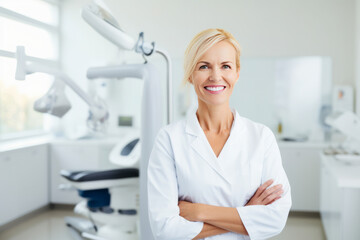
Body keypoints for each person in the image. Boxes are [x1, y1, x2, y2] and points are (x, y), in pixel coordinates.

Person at [147, 28, 291, 240]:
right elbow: (165, 230)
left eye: (226, 66)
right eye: (204, 66)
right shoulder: (169, 139)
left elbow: (276, 218)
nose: (216, 76)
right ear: (190, 74)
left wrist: (200, 212)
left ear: (237, 73)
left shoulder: (261, 137)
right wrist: (249, 212)